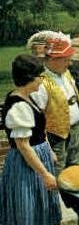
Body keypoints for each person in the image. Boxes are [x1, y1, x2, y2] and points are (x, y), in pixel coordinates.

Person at [0, 54, 61, 225]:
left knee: (42, 207)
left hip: (39, 157)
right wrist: (45, 174)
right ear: (29, 78)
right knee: (28, 207)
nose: (42, 80)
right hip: (25, 163)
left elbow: (40, 130)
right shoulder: (19, 105)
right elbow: (24, 146)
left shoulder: (30, 97)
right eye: (40, 76)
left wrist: (48, 150)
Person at [30, 31, 79, 175]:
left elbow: (75, 101)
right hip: (55, 137)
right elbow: (37, 121)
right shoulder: (41, 83)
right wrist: (47, 148)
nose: (69, 63)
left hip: (76, 131)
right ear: (52, 59)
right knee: (57, 173)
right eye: (66, 60)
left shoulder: (66, 74)